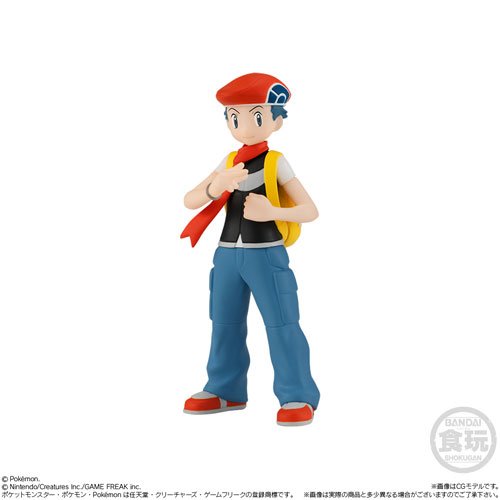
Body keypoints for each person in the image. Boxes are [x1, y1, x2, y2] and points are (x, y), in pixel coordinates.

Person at [181, 73, 320, 426]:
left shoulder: (276, 163)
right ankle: (224, 388)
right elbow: (190, 200)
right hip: (227, 254)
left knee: (281, 322)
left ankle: (297, 394)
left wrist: (272, 211)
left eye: (256, 116)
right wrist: (216, 186)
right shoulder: (228, 162)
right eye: (234, 117)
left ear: (276, 120)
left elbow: (310, 211)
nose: (243, 126)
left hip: (266, 253)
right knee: (223, 322)